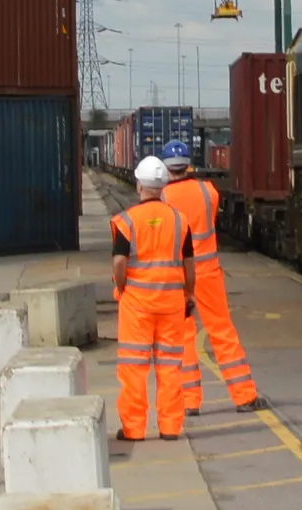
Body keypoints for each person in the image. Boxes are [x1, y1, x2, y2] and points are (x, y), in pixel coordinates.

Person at [160, 139, 265, 414]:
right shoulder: (208, 192)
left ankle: (190, 401)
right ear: (188, 163)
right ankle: (244, 395)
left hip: (178, 277)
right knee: (221, 331)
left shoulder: (163, 199)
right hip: (208, 273)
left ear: (166, 168)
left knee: (183, 336)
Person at [110, 155, 196, 442]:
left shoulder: (126, 221)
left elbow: (119, 262)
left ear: (139, 186)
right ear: (162, 187)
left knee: (134, 368)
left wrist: (122, 289)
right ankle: (170, 427)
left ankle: (134, 429)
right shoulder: (179, 221)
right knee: (170, 366)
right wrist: (188, 294)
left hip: (137, 305)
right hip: (171, 304)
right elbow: (189, 265)